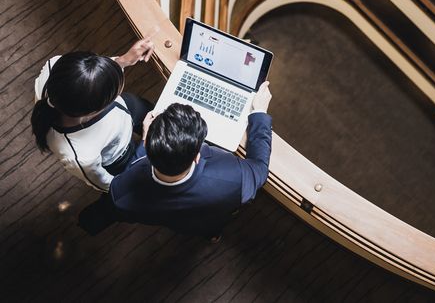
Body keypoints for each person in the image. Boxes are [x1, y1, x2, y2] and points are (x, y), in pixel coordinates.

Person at [80, 82, 272, 239]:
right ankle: (212, 236)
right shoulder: (232, 179)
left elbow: (133, 172)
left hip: (175, 222)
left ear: (147, 147)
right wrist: (259, 113)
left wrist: (146, 139)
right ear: (197, 156)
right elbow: (260, 168)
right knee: (209, 227)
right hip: (206, 218)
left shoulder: (122, 192)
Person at [31, 38, 155, 192]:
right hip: (120, 155)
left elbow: (86, 77)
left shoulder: (54, 65)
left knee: (154, 112)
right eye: (115, 92)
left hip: (126, 109)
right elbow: (112, 185)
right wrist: (144, 143)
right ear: (93, 111)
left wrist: (123, 61)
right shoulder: (81, 156)